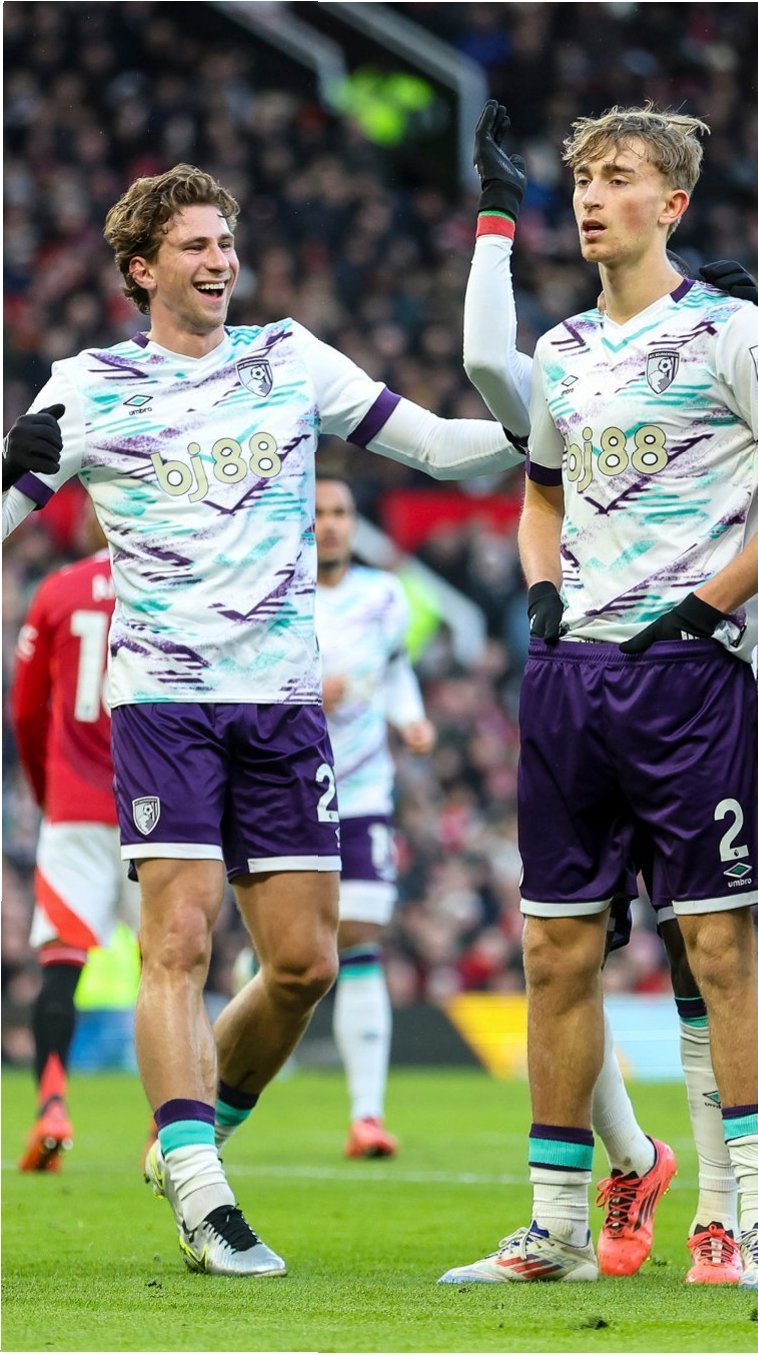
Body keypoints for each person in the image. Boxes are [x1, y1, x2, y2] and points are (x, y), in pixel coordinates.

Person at [1, 163, 525, 1277]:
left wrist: (544, 428)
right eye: (195, 244)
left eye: (226, 241)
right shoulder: (89, 385)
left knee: (302, 964)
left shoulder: (290, 357)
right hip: (167, 702)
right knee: (180, 938)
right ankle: (204, 1196)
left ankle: (188, 1137)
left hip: (282, 704)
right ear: (141, 267)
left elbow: (434, 444)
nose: (220, 260)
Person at [442, 103, 758, 1289]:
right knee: (553, 950)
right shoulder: (560, 349)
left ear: (672, 203)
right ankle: (556, 1225)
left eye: (617, 178)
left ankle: (755, 1222)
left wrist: (709, 607)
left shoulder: (731, 331)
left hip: (688, 680)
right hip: (572, 677)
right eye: (581, 179)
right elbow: (541, 491)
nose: (590, 197)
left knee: (715, 945)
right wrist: (541, 589)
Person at [11, 506, 138, 1172]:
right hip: (157, 808)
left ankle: (52, 1106)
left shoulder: (56, 590)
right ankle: (171, 1124)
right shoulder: (172, 582)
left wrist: (46, 790)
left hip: (74, 807)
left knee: (61, 963)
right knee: (172, 966)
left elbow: (26, 710)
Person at [313, 472, 436, 1158]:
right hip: (285, 789)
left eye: (340, 511)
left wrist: (409, 719)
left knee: (360, 933)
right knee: (299, 945)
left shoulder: (383, 595)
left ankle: (366, 1115)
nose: (330, 523)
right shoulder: (276, 593)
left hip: (361, 790)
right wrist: (307, 692)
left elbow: (394, 673)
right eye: (318, 512)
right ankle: (256, 972)